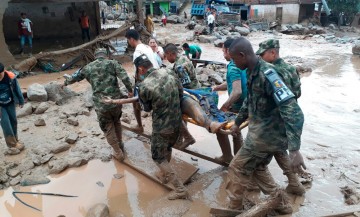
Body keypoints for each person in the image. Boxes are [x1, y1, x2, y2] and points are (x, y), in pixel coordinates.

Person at [225, 37, 306, 214]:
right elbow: (249, 101)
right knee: (258, 167)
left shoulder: (268, 75)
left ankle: (234, 209)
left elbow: (293, 111)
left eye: (234, 59)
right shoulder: (251, 71)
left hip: (265, 136)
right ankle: (283, 204)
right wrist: (237, 123)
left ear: (242, 55)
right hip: (259, 132)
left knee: (237, 167)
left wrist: (294, 149)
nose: (233, 63)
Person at [104, 54, 189, 200]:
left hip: (162, 126)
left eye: (138, 71)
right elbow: (181, 93)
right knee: (167, 148)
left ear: (141, 69)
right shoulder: (169, 71)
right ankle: (164, 174)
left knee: (157, 157)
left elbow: (147, 109)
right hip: (178, 123)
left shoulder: (144, 86)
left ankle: (180, 189)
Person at [63, 48, 133, 162]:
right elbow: (124, 76)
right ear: (106, 55)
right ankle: (120, 144)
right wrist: (130, 90)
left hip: (101, 105)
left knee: (107, 127)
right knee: (117, 121)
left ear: (95, 56)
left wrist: (65, 83)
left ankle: (118, 152)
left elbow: (75, 77)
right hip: (116, 102)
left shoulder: (88, 67)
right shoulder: (113, 63)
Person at [255, 39, 305, 196]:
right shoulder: (291, 68)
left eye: (262, 54)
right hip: (287, 120)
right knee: (279, 150)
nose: (260, 58)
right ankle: (295, 185)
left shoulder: (271, 72)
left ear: (273, 52)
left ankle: (278, 198)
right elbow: (297, 93)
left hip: (273, 120)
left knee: (258, 161)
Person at [164, 43, 225, 149]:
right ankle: (181, 138)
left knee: (172, 110)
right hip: (197, 88)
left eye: (166, 56)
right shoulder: (183, 58)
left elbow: (184, 86)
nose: (166, 58)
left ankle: (184, 138)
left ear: (170, 54)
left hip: (192, 93)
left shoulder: (179, 66)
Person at [212, 38, 248, 163]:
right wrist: (216, 87)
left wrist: (225, 106)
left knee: (218, 126)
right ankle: (238, 161)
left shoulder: (233, 66)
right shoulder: (244, 63)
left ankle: (228, 157)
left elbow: (237, 91)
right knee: (236, 131)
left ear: (228, 50)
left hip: (239, 106)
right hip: (248, 105)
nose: (223, 54)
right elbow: (232, 84)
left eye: (223, 51)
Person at [125, 29, 160, 133]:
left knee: (135, 101)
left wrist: (134, 87)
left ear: (131, 39)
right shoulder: (147, 47)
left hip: (148, 79)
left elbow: (140, 71)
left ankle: (140, 126)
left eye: (128, 40)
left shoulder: (137, 52)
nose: (128, 42)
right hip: (157, 75)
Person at [0, 63, 25, 155]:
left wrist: (21, 101)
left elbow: (17, 89)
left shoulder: (10, 77)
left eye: (0, 74)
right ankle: (12, 144)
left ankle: (16, 140)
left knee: (13, 121)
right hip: (0, 106)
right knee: (5, 123)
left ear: (4, 71)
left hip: (10, 102)